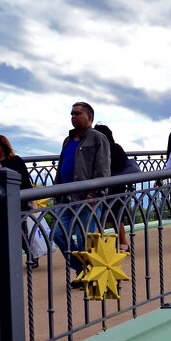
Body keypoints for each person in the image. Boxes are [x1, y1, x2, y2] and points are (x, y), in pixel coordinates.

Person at [53, 102, 111, 277]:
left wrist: (94, 193)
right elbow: (62, 166)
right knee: (57, 233)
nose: (73, 117)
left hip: (87, 197)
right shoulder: (68, 140)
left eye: (77, 113)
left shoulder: (98, 138)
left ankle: (87, 272)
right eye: (72, 114)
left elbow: (102, 168)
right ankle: (85, 267)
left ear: (89, 117)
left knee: (84, 236)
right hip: (65, 197)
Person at [0, 135, 38, 263]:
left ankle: (31, 255)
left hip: (14, 202)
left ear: (3, 145)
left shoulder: (15, 161)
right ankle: (0, 260)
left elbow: (26, 182)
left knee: (19, 232)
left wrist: (32, 201)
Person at [94, 124, 139, 252]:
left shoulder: (114, 148)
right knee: (105, 216)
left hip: (115, 188)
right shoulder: (98, 150)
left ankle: (122, 243)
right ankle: (100, 245)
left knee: (114, 216)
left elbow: (120, 165)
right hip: (104, 188)